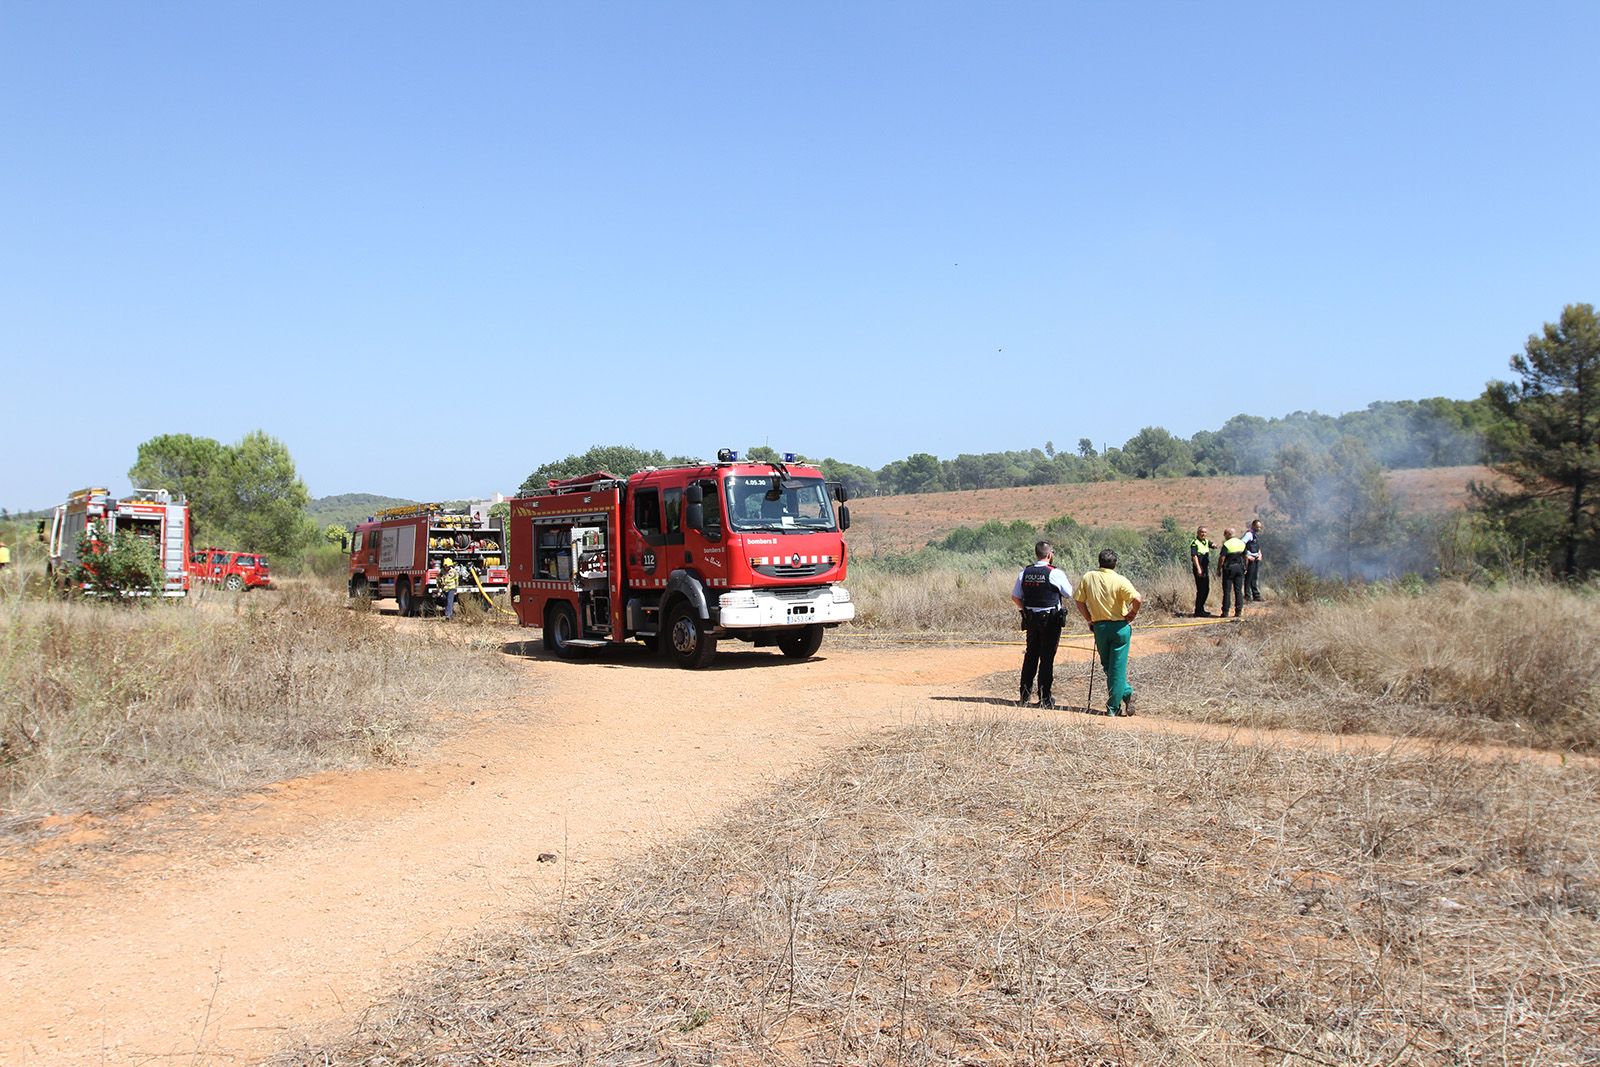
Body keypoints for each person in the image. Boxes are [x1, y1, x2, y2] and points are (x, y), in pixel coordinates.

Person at [1073, 549, 1142, 717]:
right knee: (1115, 668)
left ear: (1099, 562)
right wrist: (1132, 613)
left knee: (1109, 667)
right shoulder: (1120, 580)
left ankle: (1113, 706)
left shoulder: (1089, 577)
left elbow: (1079, 600)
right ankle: (1125, 693)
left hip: (1100, 628)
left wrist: (1089, 619)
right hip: (1120, 628)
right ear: (1115, 563)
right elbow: (1137, 599)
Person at [1011, 540, 1073, 708]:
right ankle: (1045, 699)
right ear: (1049, 555)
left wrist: (1026, 610)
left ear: (1036, 554)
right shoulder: (1055, 573)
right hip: (1051, 622)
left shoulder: (1025, 572)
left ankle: (1024, 697)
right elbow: (1068, 593)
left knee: (1030, 656)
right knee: (1046, 659)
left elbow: (1015, 596)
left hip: (1031, 620)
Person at [1218, 528, 1249, 618]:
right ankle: (1238, 612)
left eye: (1225, 534)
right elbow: (1246, 557)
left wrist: (1219, 569)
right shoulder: (1241, 543)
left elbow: (1222, 558)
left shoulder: (1227, 544)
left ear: (1228, 534)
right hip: (1240, 568)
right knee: (1238, 591)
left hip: (1229, 569)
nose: (1224, 536)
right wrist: (1246, 567)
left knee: (1227, 591)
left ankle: (1225, 612)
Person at [1189, 526, 1213, 616]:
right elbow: (1194, 556)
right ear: (1198, 533)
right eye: (1202, 532)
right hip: (1199, 569)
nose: (1203, 534)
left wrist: (1214, 545)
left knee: (1206, 589)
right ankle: (1198, 611)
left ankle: (1201, 609)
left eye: (1205, 532)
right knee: (1201, 590)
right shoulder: (1195, 543)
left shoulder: (1206, 542)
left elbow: (1211, 544)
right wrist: (1198, 569)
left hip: (1205, 569)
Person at [1242, 519, 1264, 602]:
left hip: (1256, 558)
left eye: (1260, 527)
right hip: (1250, 559)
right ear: (1253, 526)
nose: (1259, 529)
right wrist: (1247, 555)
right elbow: (1242, 543)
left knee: (1254, 577)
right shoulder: (1248, 534)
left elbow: (1257, 546)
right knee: (1248, 578)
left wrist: (1260, 554)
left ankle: (1256, 596)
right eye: (1257, 527)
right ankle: (1247, 596)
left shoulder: (1255, 535)